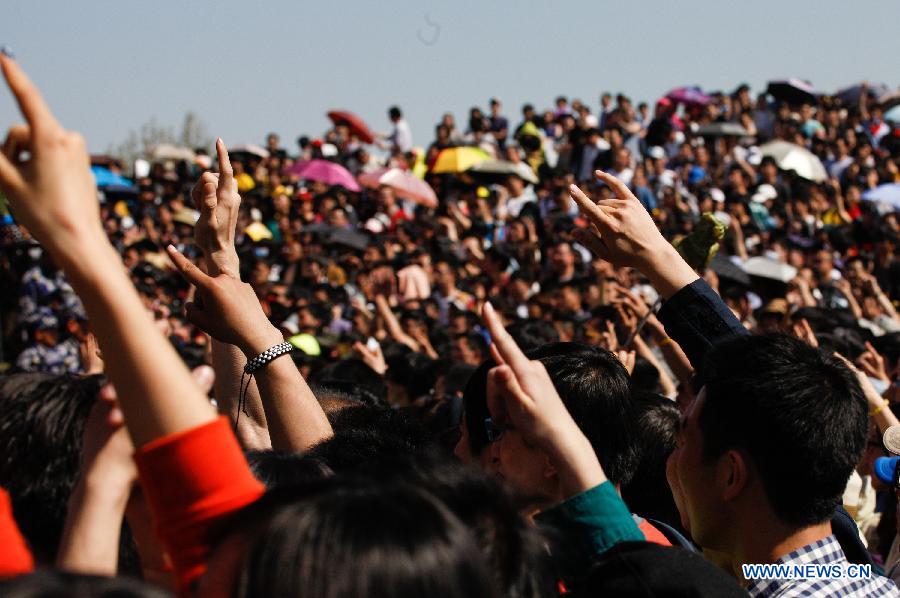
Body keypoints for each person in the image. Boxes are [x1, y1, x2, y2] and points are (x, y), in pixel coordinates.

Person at [568, 169, 899, 595]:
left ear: (730, 474)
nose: (673, 459)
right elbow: (765, 400)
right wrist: (658, 259)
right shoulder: (851, 570)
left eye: (683, 440)